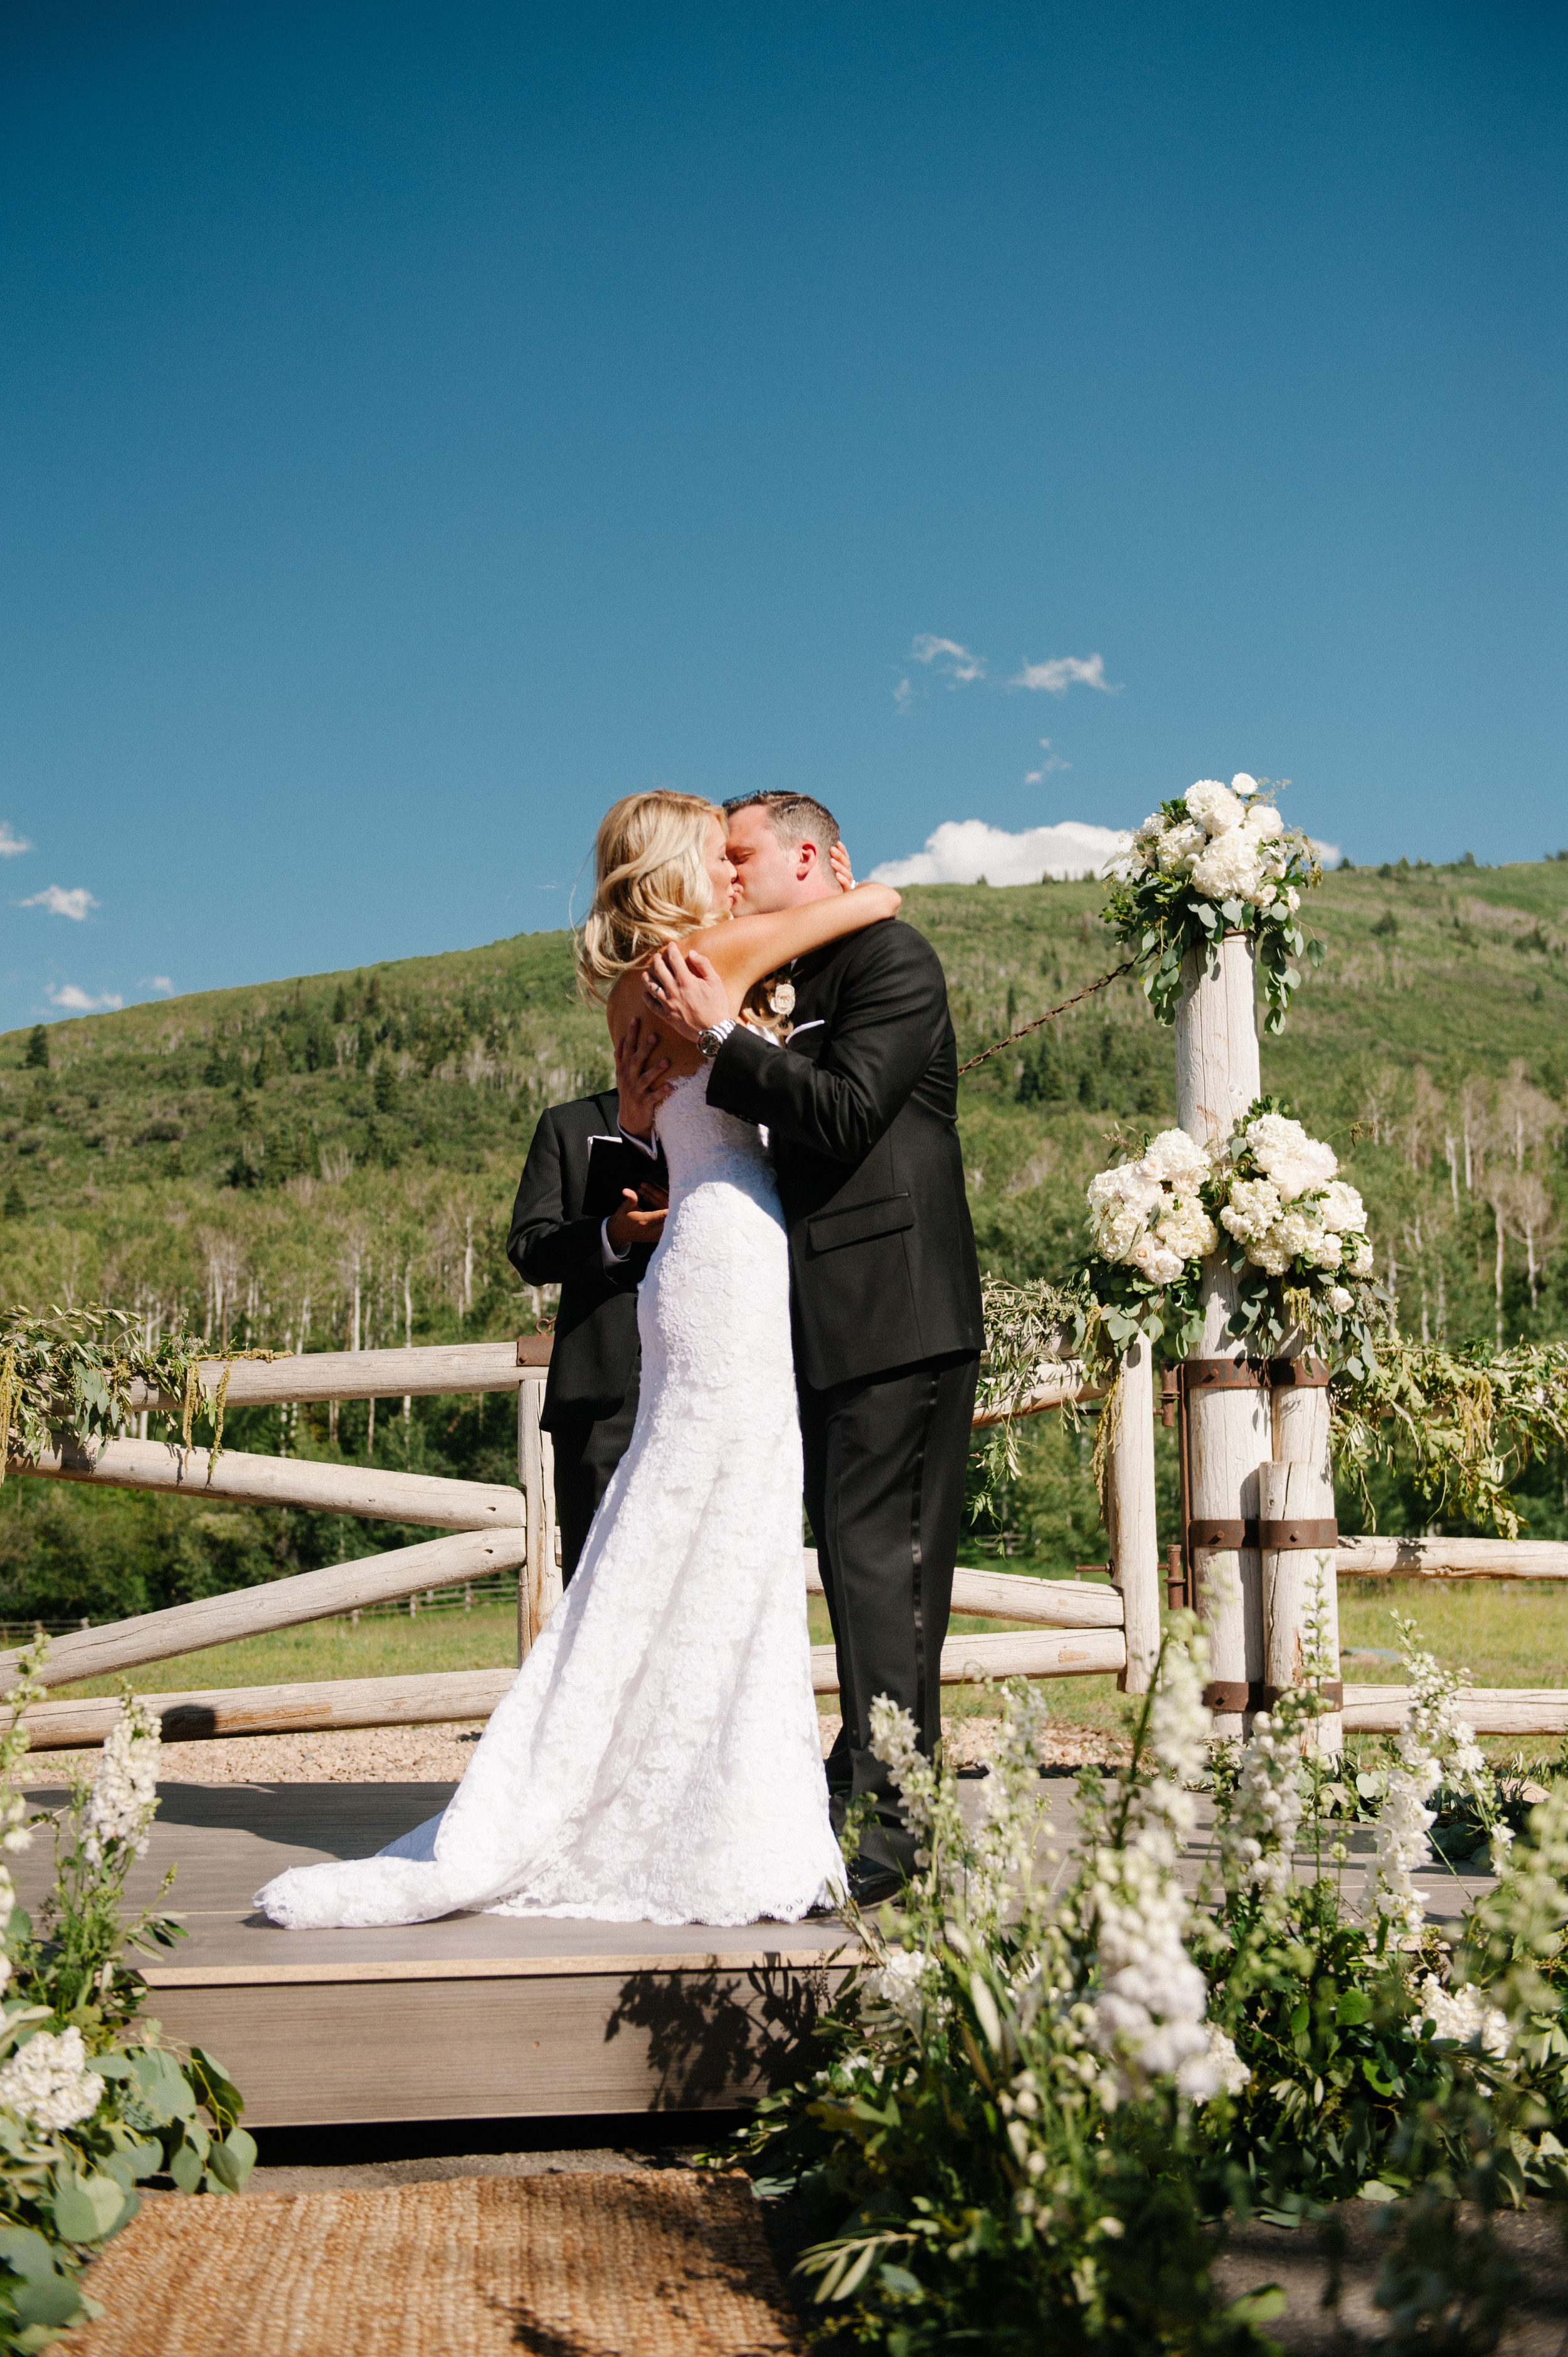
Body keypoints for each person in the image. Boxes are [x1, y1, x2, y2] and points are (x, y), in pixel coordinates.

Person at [257, 790, 899, 1932]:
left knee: (699, 1530)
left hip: (689, 1265)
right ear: (681, 869)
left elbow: (653, 1121)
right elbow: (875, 899)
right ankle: (720, 1819)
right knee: (734, 1537)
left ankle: (664, 1792)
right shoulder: (710, 955)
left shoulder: (629, 988)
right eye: (723, 851)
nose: (739, 870)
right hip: (735, 1263)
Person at [643, 790, 984, 1902]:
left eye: (740, 856)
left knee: (889, 1561)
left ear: (812, 853)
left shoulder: (892, 957)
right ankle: (862, 1770)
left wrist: (724, 1041)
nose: (728, 876)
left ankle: (897, 1816)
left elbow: (841, 1115)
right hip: (807, 1316)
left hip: (896, 1300)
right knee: (854, 1561)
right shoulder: (784, 974)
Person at [506, 1018, 672, 1583]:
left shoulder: (727, 1126)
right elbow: (529, 1246)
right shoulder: (568, 1126)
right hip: (604, 1398)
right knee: (601, 1582)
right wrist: (612, 1232)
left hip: (710, 1377)